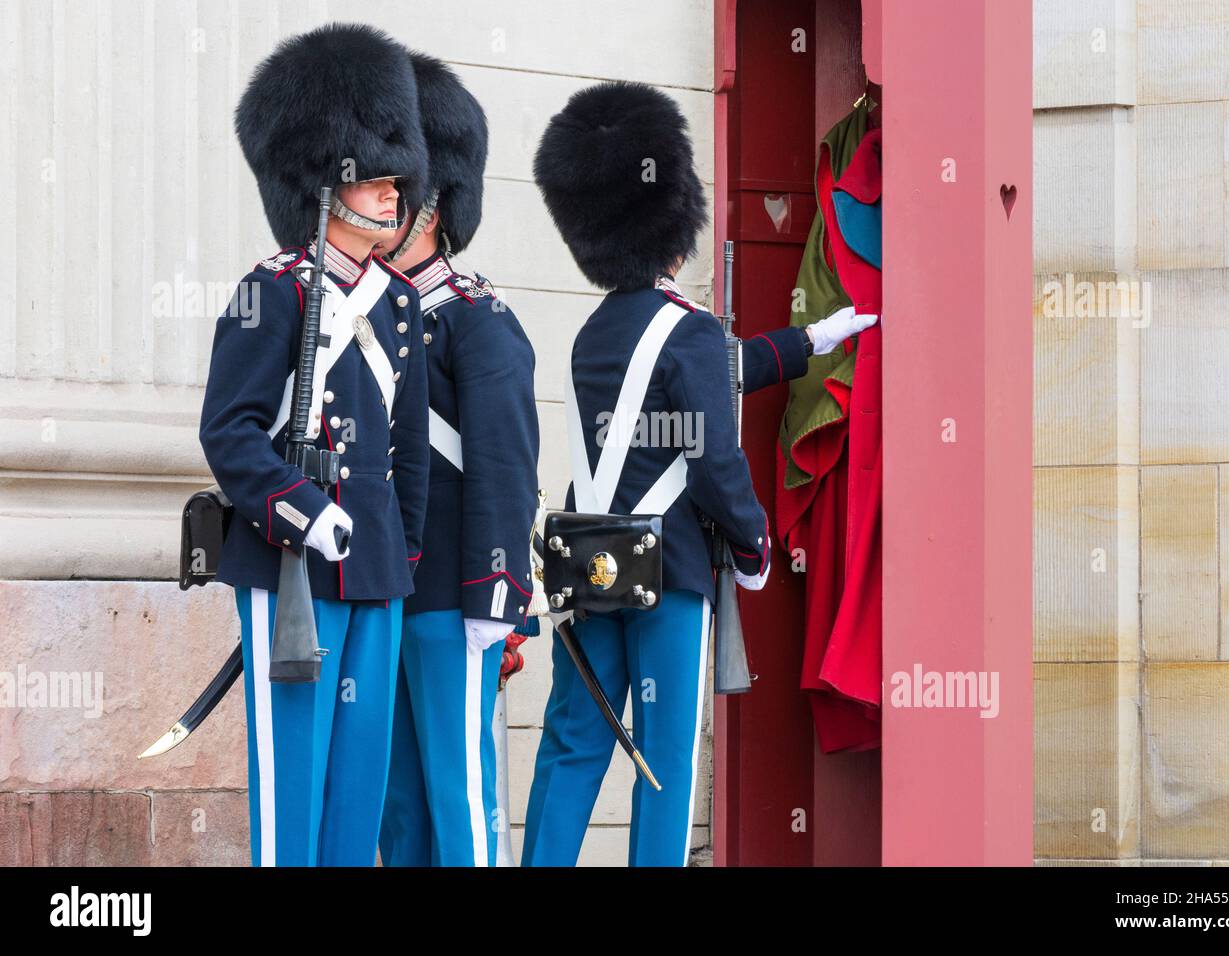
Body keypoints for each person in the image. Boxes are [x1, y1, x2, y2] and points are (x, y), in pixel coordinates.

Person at [523, 81, 872, 866]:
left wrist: (809, 341)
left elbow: (709, 377)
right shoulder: (688, 332)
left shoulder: (598, 333)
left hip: (592, 565)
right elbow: (714, 454)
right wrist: (753, 546)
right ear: (674, 234)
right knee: (665, 764)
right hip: (669, 573)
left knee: (575, 744)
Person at [198, 22, 430, 867]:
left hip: (374, 569)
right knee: (291, 795)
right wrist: (302, 513)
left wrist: (403, 552)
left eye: (393, 175)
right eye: (372, 177)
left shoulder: (399, 303)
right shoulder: (272, 292)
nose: (391, 190)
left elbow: (404, 448)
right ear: (323, 184)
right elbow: (227, 430)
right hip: (291, 563)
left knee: (356, 797)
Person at [376, 52, 541, 867]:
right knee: (396, 810)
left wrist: (496, 597)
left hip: (451, 597)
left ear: (430, 206)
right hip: (384, 593)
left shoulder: (479, 320)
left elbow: (505, 470)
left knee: (459, 798)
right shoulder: (359, 321)